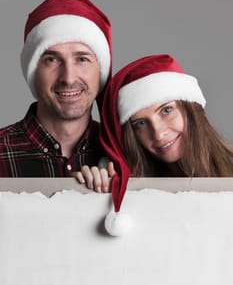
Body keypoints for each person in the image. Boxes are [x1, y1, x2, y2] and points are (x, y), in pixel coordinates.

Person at [75, 54, 233, 235]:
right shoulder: (129, 193)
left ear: (190, 109)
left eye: (167, 110)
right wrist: (95, 189)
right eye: (140, 123)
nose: (158, 134)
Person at [0, 0, 112, 177]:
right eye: (52, 60)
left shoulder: (125, 157)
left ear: (101, 71)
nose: (68, 78)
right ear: (33, 71)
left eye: (82, 59)